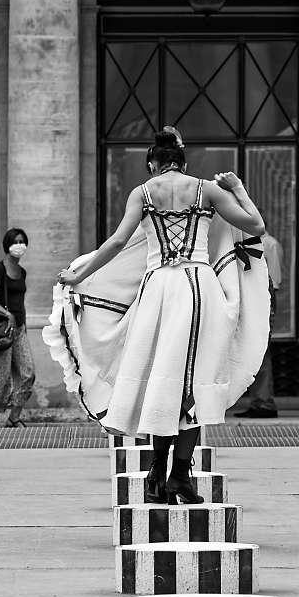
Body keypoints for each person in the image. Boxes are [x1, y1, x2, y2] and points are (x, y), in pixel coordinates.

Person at [45, 126, 269, 504]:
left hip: (157, 291)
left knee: (160, 378)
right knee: (194, 381)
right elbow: (256, 226)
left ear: (154, 163)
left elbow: (117, 242)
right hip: (199, 290)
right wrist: (238, 188)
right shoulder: (208, 190)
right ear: (182, 163)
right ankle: (179, 475)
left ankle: (157, 472)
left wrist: (78, 275)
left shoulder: (143, 193)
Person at [0, 228, 36, 428]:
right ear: (7, 245)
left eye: (22, 241)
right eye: (16, 241)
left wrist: (24, 323)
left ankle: (14, 416)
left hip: (18, 329)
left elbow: (21, 301)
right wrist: (6, 314)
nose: (20, 245)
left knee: (28, 372)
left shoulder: (22, 272)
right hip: (1, 328)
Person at [235, 216, 283, 418]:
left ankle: (263, 402)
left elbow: (271, 277)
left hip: (262, 294)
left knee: (260, 349)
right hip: (258, 294)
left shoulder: (265, 244)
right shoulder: (264, 243)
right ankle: (260, 400)